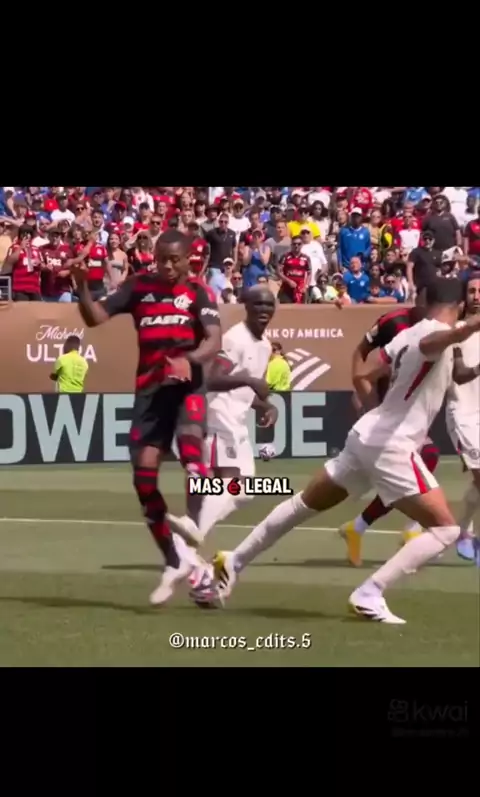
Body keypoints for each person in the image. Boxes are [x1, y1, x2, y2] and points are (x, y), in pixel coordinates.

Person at [208, 277, 480, 624]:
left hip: (367, 436)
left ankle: (234, 560)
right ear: (459, 305)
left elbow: (367, 373)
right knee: (446, 530)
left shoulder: (407, 334)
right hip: (393, 445)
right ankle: (370, 593)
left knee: (303, 504)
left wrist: (376, 411)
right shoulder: (434, 335)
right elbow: (433, 343)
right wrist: (468, 328)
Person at [71, 230, 222, 605]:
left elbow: (213, 340)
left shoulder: (199, 292)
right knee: (143, 478)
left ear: (188, 259)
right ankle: (174, 560)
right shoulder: (138, 287)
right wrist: (82, 286)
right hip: (150, 393)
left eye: (175, 259)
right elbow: (95, 318)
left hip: (186, 387)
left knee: (191, 447)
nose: (167, 266)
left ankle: (193, 523)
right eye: (161, 259)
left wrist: (189, 360)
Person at [168, 285, 276, 563]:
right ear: (246, 307)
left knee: (244, 492)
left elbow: (244, 389)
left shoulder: (265, 344)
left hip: (237, 421)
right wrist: (249, 380)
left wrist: (265, 406)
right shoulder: (235, 339)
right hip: (219, 417)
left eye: (269, 305)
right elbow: (212, 379)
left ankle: (189, 534)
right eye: (258, 304)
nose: (264, 310)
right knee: (228, 483)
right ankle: (188, 542)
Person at [338, 294, 441, 566]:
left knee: (421, 460)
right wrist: (362, 391)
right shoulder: (393, 322)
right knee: (426, 457)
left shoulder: (442, 328)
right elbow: (360, 353)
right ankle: (414, 529)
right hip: (389, 408)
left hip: (412, 408)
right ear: (419, 296)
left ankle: (361, 527)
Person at [445, 274, 480, 560]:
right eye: (472, 291)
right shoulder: (456, 330)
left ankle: (462, 530)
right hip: (463, 413)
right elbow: (459, 374)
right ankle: (465, 532)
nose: (477, 296)